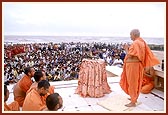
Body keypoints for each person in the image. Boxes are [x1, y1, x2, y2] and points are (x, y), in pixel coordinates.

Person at [120, 29, 160, 107]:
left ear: (134, 35)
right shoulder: (141, 42)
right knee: (135, 82)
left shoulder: (136, 43)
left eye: (130, 35)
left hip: (133, 65)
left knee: (132, 82)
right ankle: (133, 98)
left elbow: (131, 55)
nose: (130, 36)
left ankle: (133, 102)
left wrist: (126, 49)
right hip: (135, 65)